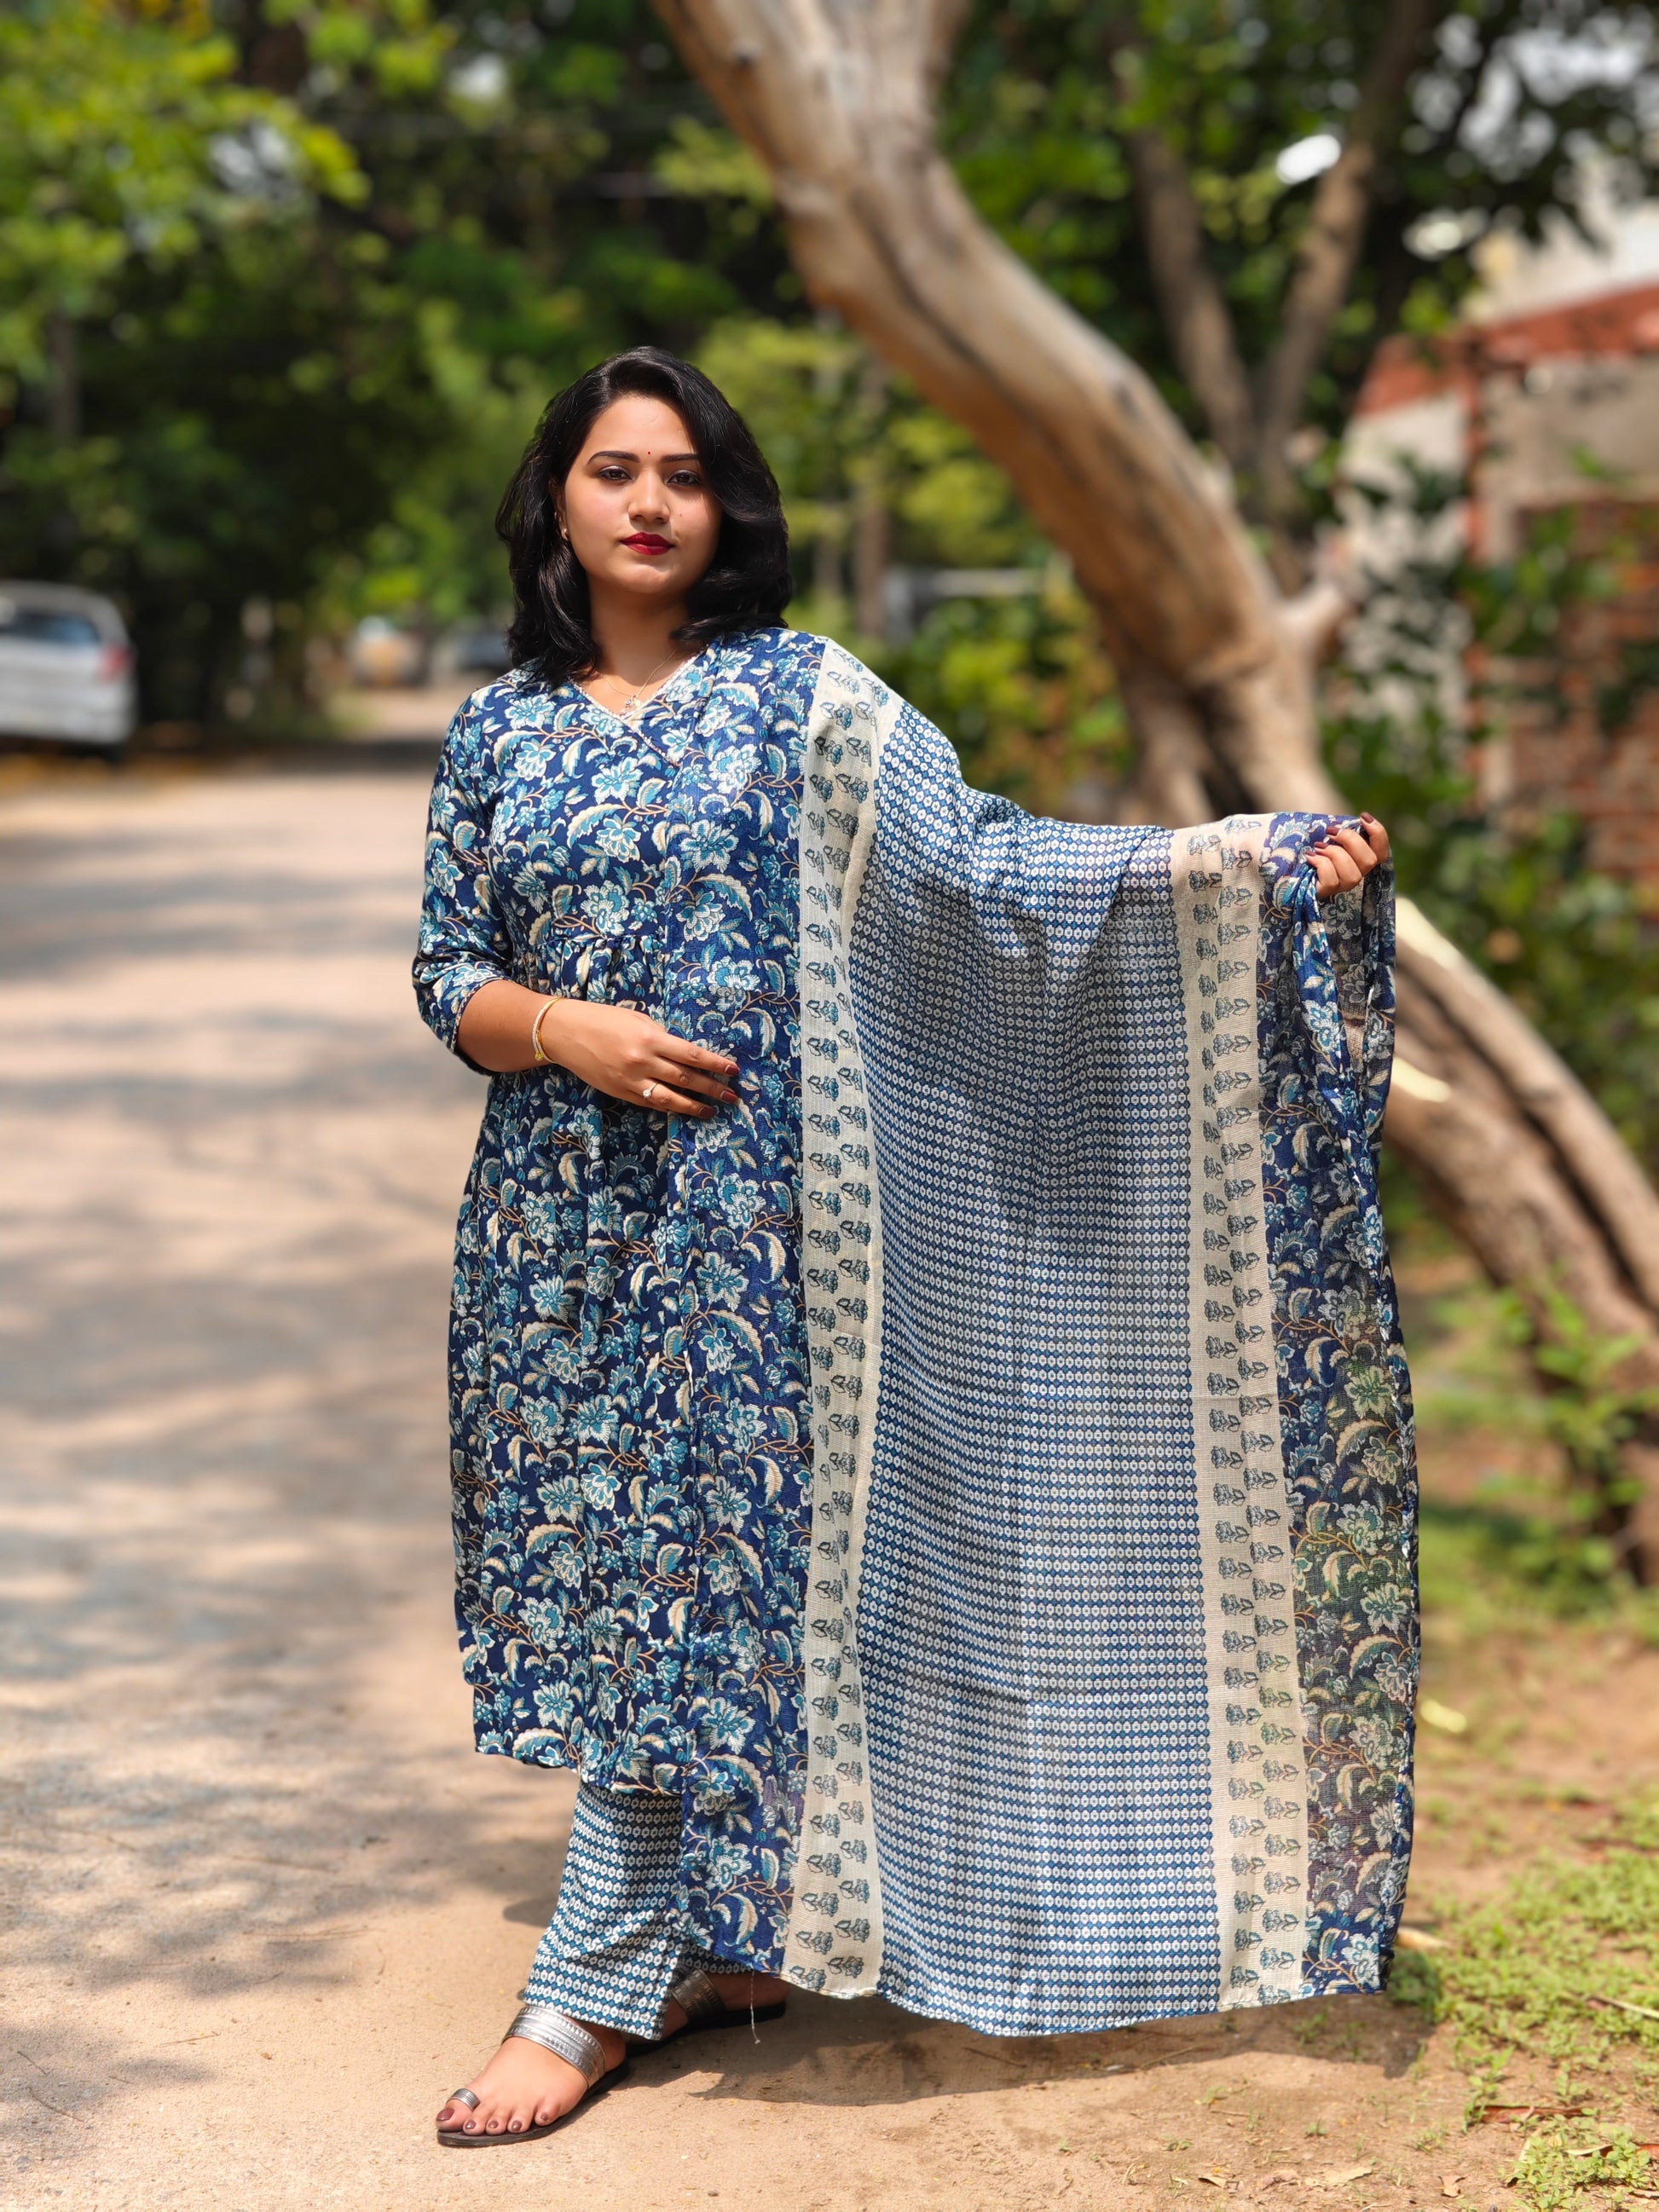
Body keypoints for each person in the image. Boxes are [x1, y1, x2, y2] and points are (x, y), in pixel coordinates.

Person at [414, 349, 1407, 2150]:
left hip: (765, 1236)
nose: (650, 502)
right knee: (615, 1573)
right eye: (615, 468)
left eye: (685, 474)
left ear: (726, 508)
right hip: (557, 1235)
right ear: (556, 496)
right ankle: (722, 1934)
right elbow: (447, 977)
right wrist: (568, 1030)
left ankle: (590, 1979)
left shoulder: (804, 698)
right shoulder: (500, 728)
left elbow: (991, 867)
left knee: (700, 1569)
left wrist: (1237, 861)